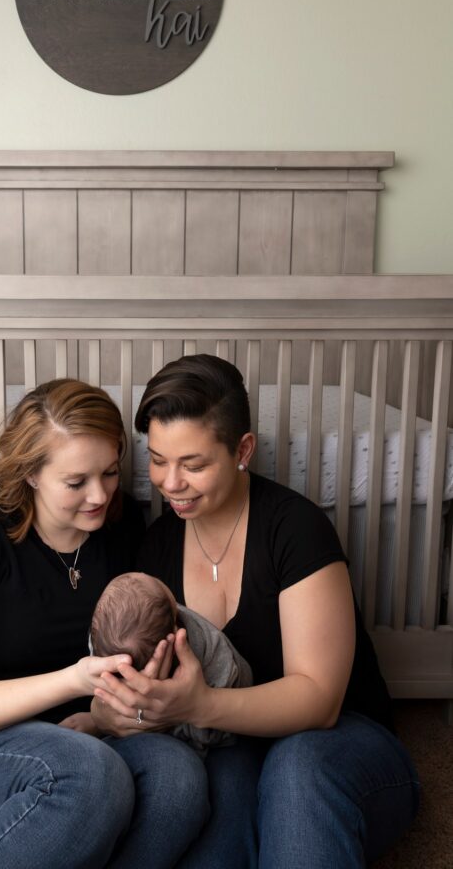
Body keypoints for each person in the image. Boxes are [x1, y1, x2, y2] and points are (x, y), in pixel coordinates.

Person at [91, 354, 420, 868]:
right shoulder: (156, 549)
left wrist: (197, 705)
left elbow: (319, 701)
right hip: (233, 745)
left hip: (340, 741)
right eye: (157, 459)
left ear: (243, 449)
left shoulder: (295, 529)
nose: (170, 482)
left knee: (297, 767)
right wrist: (118, 709)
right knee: (212, 806)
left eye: (193, 464)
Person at [0, 378, 208, 869]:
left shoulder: (123, 527)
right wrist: (73, 681)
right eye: (76, 482)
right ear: (32, 475)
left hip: (83, 737)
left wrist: (109, 716)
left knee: (179, 778)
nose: (100, 495)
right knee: (91, 774)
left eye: (108, 472)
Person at [90, 570, 252, 755]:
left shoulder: (207, 646)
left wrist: (180, 718)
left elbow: (236, 683)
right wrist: (101, 710)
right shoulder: (102, 639)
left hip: (227, 704)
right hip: (167, 727)